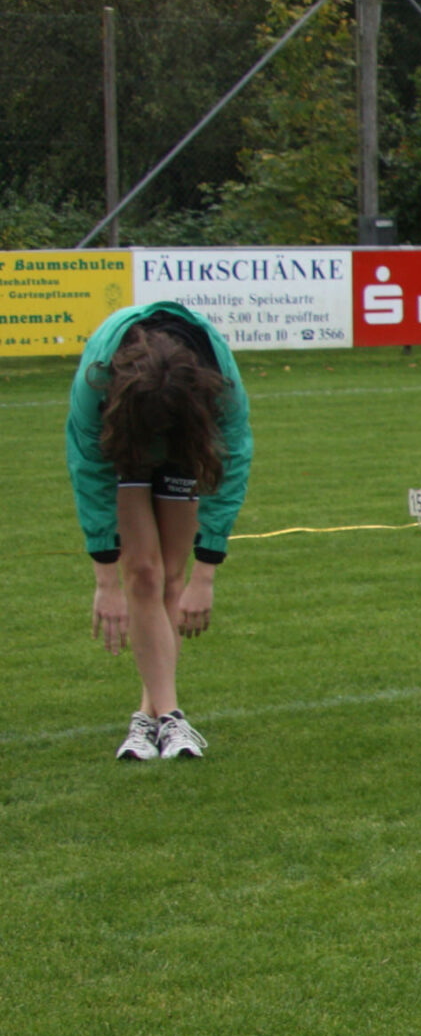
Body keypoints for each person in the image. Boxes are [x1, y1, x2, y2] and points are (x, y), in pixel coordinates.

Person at [65, 300, 255, 761]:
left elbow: (232, 461)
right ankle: (170, 717)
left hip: (183, 435)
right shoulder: (96, 379)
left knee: (172, 576)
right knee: (142, 575)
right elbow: (88, 469)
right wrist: (104, 579)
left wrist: (205, 572)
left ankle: (147, 719)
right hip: (124, 435)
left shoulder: (217, 374)